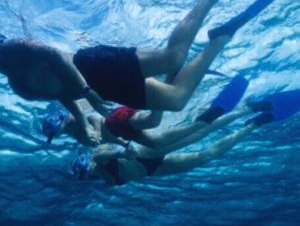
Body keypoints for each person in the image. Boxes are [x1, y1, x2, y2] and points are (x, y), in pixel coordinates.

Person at [0, 0, 295, 146]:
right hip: (99, 88)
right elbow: (64, 94)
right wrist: (87, 122)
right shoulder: (19, 86)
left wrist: (86, 91)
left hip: (91, 65)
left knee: (172, 58)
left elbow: (52, 55)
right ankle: (218, 38)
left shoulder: (11, 49)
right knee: (175, 100)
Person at [69, 89, 300, 185]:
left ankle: (246, 110)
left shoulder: (97, 157)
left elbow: (107, 150)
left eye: (81, 166)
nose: (85, 172)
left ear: (84, 160)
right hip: (155, 169)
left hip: (144, 155)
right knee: (205, 155)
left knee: (198, 134)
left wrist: (121, 150)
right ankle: (252, 123)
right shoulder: (105, 182)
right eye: (82, 174)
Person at [42, 74, 249, 149]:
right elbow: (107, 140)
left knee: (152, 122)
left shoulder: (72, 119)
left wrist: (92, 130)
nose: (56, 135)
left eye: (53, 131)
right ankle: (203, 121)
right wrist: (125, 145)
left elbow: (95, 118)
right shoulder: (75, 136)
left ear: (57, 123)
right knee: (157, 144)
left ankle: (165, 87)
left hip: (114, 121)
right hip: (120, 133)